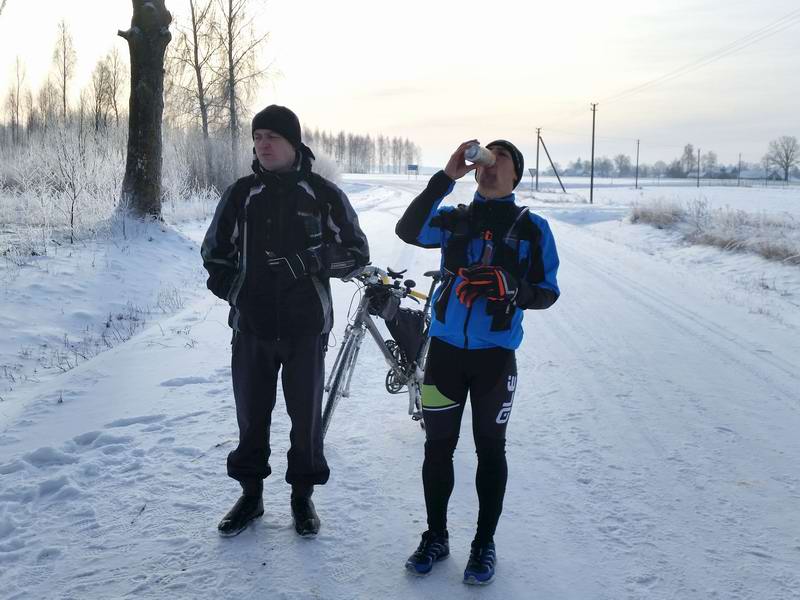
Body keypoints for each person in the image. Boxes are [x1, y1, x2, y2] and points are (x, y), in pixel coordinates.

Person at [395, 139, 560, 584]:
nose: (489, 162)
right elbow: (408, 230)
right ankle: (436, 536)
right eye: (486, 155)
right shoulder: (454, 219)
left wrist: (514, 289)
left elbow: (548, 291)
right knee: (437, 448)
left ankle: (483, 545)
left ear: (515, 175)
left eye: (501, 157)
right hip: (444, 356)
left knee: (490, 451)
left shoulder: (533, 229)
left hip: (495, 361)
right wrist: (447, 177)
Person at [202, 105, 369, 538]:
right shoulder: (241, 195)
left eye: (273, 136)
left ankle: (302, 498)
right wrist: (239, 293)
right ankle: (251, 496)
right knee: (251, 416)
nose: (263, 144)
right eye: (258, 137)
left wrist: (310, 260)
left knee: (305, 420)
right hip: (252, 329)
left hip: (306, 329)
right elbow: (214, 255)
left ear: (294, 143)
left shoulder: (322, 194)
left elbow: (355, 253)